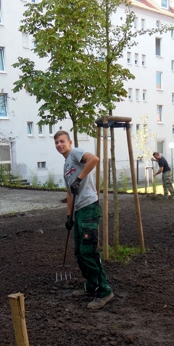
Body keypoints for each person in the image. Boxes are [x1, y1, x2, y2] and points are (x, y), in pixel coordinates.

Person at [54, 131, 114, 310]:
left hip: (89, 207)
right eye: (56, 142)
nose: (59, 145)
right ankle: (91, 285)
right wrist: (68, 216)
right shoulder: (66, 165)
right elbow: (69, 192)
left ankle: (104, 291)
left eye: (62, 141)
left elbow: (94, 159)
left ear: (70, 142)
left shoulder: (75, 153)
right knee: (79, 252)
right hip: (79, 211)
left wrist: (79, 179)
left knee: (88, 251)